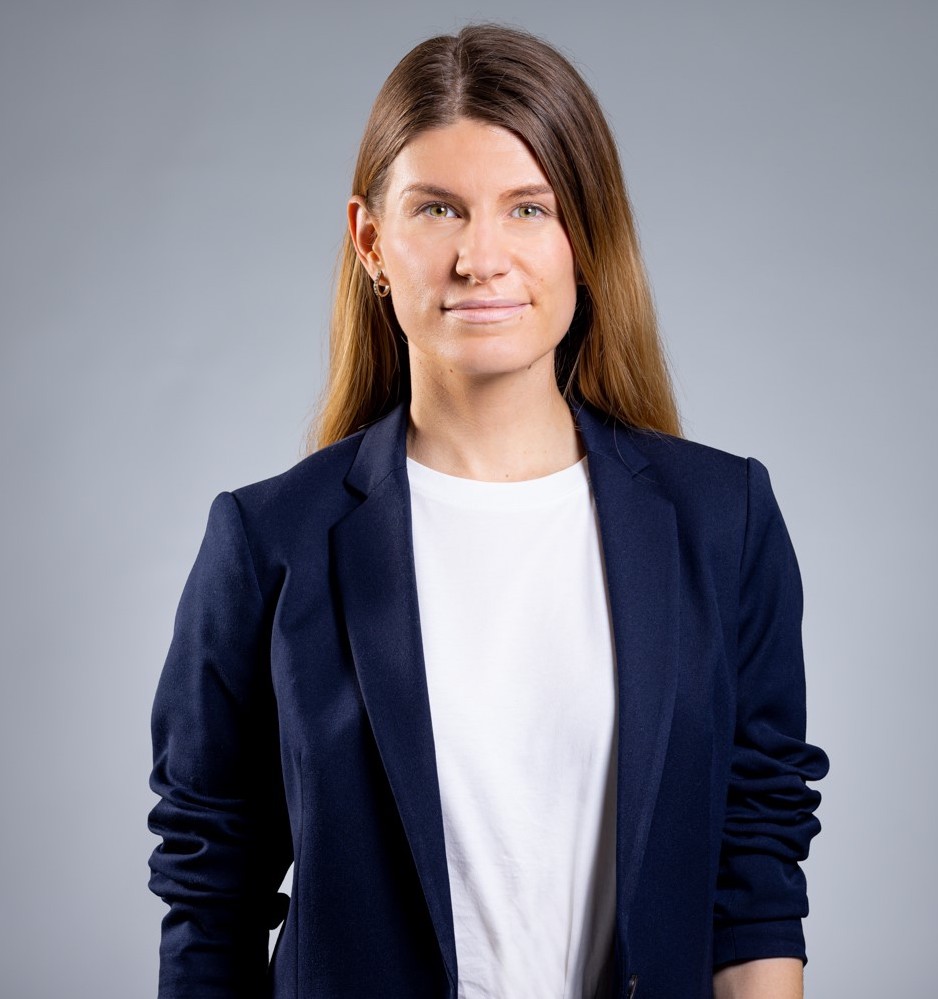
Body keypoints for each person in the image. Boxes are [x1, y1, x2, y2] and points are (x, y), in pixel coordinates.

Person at [147, 23, 828, 999]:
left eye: (526, 209)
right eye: (437, 210)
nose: (480, 256)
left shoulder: (723, 521)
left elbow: (755, 868)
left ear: (585, 240)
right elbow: (209, 892)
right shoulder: (267, 543)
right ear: (371, 242)